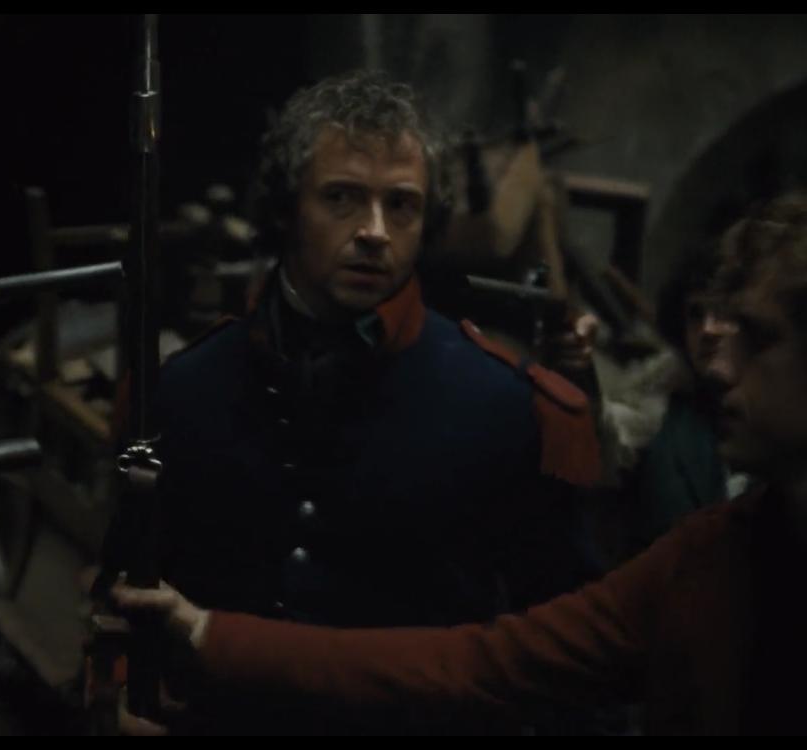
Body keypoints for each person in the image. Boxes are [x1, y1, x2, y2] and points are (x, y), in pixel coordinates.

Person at [115, 186, 807, 735]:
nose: (717, 364)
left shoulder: (494, 404)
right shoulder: (715, 557)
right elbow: (483, 662)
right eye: (340, 199)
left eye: (760, 339)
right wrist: (209, 633)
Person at [105, 70, 603, 734]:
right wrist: (116, 691)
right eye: (341, 197)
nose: (374, 231)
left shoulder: (506, 408)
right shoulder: (182, 391)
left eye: (401, 206)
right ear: (287, 209)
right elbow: (122, 592)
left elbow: (567, 652)